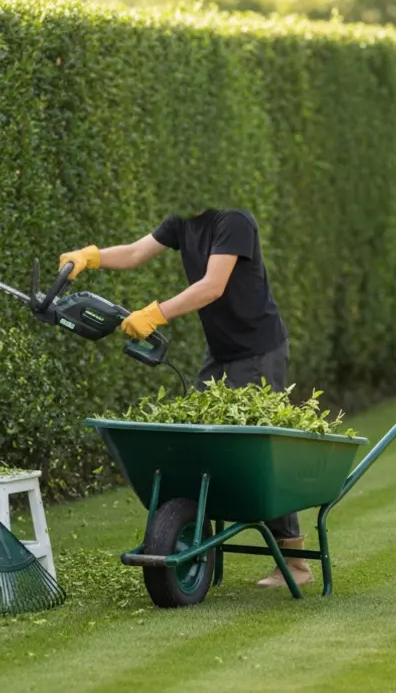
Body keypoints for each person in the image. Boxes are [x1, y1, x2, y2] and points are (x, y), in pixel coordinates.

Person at [59, 208, 311, 588]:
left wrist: (156, 313)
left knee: (261, 445)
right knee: (197, 438)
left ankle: (294, 561)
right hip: (222, 352)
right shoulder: (182, 222)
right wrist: (91, 256)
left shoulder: (233, 221)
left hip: (259, 350)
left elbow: (213, 285)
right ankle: (189, 538)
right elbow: (133, 253)